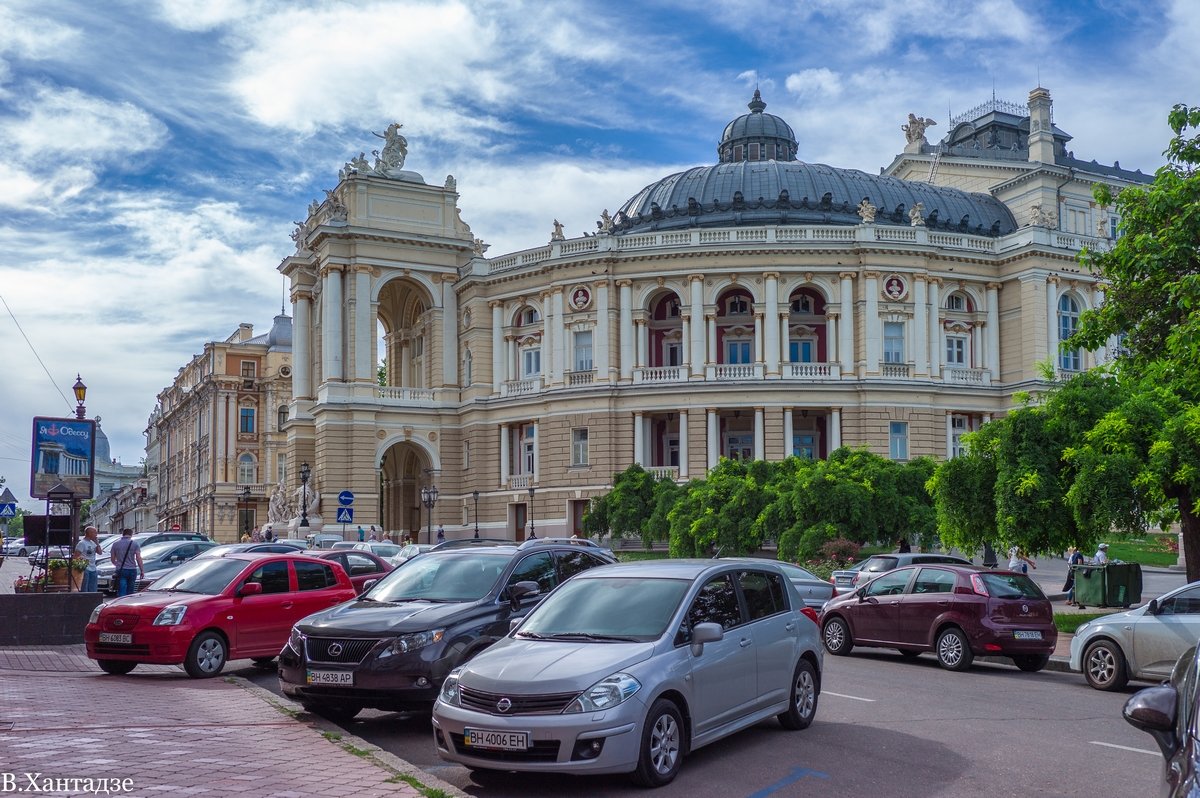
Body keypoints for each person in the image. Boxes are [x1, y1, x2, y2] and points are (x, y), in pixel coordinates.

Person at [109, 528, 144, 597]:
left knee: (122, 589)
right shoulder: (135, 544)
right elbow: (138, 558)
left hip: (121, 569)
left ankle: (121, 603)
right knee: (130, 590)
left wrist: (117, 564)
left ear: (123, 534)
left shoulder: (115, 544)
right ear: (131, 534)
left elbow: (112, 559)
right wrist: (142, 570)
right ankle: (128, 603)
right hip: (132, 569)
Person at [75, 525, 100, 592]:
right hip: (85, 568)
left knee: (93, 587)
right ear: (89, 533)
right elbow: (76, 556)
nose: (96, 535)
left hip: (93, 567)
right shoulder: (82, 543)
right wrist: (82, 561)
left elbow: (100, 552)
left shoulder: (93, 543)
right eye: (95, 533)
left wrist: (97, 543)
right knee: (85, 587)